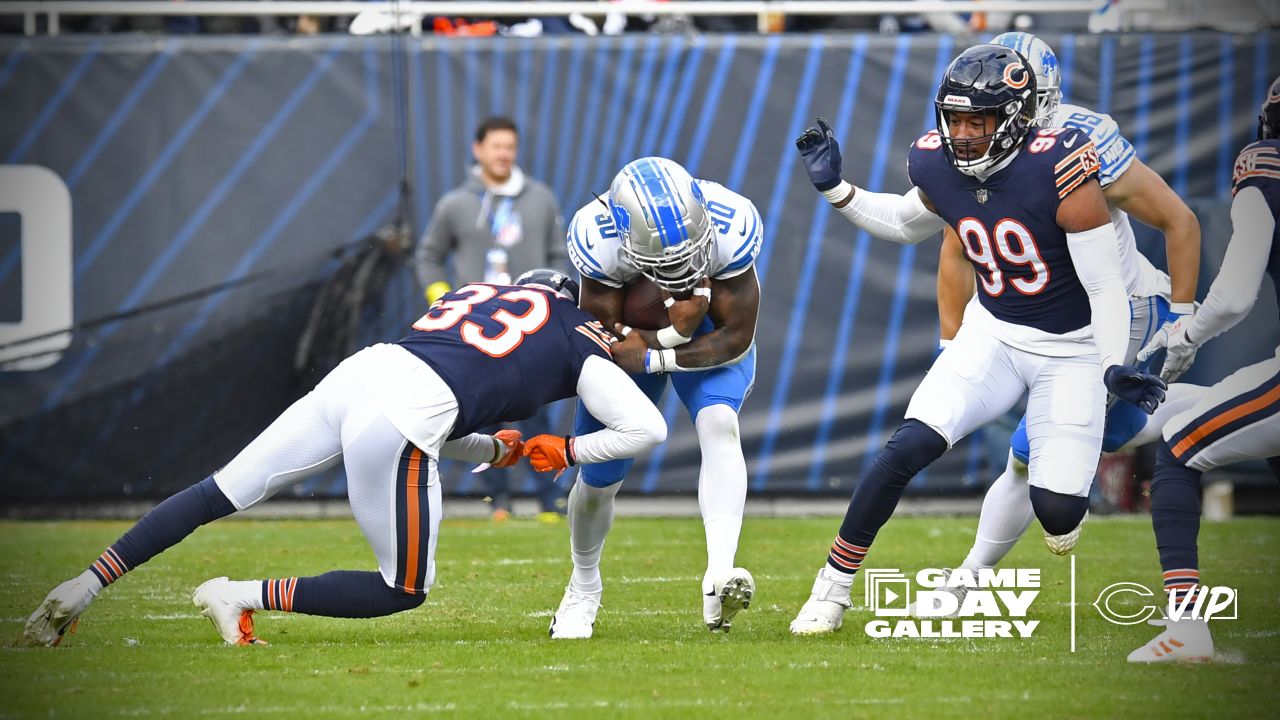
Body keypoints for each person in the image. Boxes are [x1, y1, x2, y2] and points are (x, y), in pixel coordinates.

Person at [17, 270, 666, 647]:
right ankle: (238, 596)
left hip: (364, 373)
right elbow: (646, 428)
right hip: (405, 412)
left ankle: (83, 585)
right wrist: (571, 449)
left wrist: (493, 449)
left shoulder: (476, 293)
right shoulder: (575, 330)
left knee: (220, 490)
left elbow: (443, 390)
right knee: (404, 588)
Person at [787, 44, 1166, 635]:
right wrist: (837, 189)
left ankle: (1182, 413)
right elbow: (905, 224)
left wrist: (1114, 363)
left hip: (1073, 350)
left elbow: (1104, 286)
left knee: (1059, 516)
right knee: (905, 449)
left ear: (1014, 118)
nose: (961, 134)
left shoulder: (1062, 168)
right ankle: (830, 589)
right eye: (955, 119)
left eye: (977, 121)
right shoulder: (935, 163)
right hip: (995, 333)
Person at [926, 31, 1202, 590]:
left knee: (1035, 447)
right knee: (1041, 453)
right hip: (1046, 321)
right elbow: (955, 249)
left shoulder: (1083, 143)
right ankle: (970, 576)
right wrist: (950, 347)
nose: (988, 125)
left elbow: (1181, 221)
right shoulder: (972, 145)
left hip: (1120, 311)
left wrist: (1183, 318)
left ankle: (968, 577)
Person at [551, 156, 763, 638]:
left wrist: (657, 354)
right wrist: (662, 337)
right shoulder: (599, 237)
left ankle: (719, 574)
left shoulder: (730, 221)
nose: (685, 269)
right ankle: (583, 588)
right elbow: (604, 332)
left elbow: (735, 336)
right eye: (665, 264)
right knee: (600, 476)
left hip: (697, 333)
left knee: (720, 423)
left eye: (692, 254)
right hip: (632, 337)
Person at [1124, 80, 1280, 662]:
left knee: (1180, 443)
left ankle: (1186, 629)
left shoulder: (1266, 166)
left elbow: (1237, 294)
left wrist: (1188, 333)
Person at [414, 116, 569, 521]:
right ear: (477, 149)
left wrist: (551, 294)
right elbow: (428, 255)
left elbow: (559, 254)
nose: (504, 154)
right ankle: (498, 501)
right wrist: (440, 296)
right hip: (475, 328)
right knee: (482, 412)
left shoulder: (540, 199)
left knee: (538, 409)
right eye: (496, 146)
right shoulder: (456, 204)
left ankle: (548, 500)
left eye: (510, 147)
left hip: (531, 325)